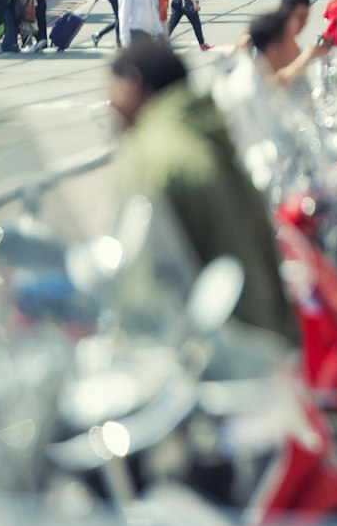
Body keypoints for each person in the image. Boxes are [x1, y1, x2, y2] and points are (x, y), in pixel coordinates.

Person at [108, 39, 297, 344]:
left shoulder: (150, 154)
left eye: (112, 93)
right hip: (264, 339)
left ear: (132, 83)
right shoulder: (210, 136)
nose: (112, 108)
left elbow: (138, 282)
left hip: (210, 357)